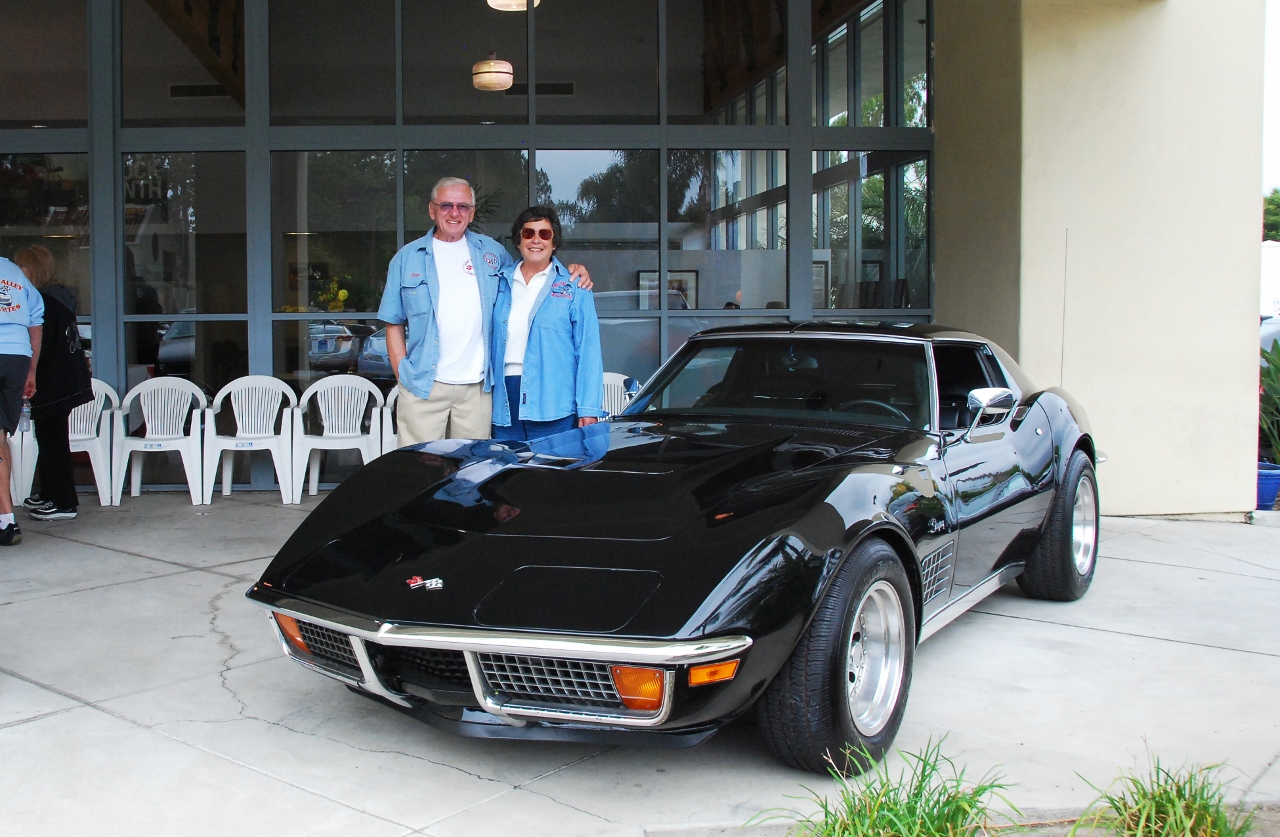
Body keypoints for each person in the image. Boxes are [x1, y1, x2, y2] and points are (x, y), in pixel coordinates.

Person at [377, 177, 592, 446]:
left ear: (472, 213)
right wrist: (403, 376)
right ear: (432, 210)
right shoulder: (407, 258)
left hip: (479, 390)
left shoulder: (492, 253)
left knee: (472, 472)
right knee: (420, 469)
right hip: (423, 387)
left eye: (463, 206)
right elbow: (393, 323)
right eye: (446, 205)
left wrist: (572, 269)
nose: (454, 213)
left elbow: (535, 266)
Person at [490, 206, 605, 441]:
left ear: (554, 242)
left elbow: (588, 351)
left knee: (550, 474)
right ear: (518, 240)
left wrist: (588, 409)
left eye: (545, 234)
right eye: (528, 233)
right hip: (503, 400)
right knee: (507, 473)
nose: (536, 240)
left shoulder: (575, 286)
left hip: (553, 400)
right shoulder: (499, 282)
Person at [14, 246, 91, 522]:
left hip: (53, 383)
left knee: (52, 441)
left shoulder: (43, 302)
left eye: (20, 267)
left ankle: (62, 501)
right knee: (50, 439)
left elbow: (41, 347)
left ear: (32, 269)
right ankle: (51, 493)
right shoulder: (60, 298)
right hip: (66, 381)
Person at [0, 254, 43, 545]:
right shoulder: (13, 271)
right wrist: (31, 371)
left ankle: (6, 521)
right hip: (16, 357)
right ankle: (6, 519)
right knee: (1, 437)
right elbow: (36, 323)